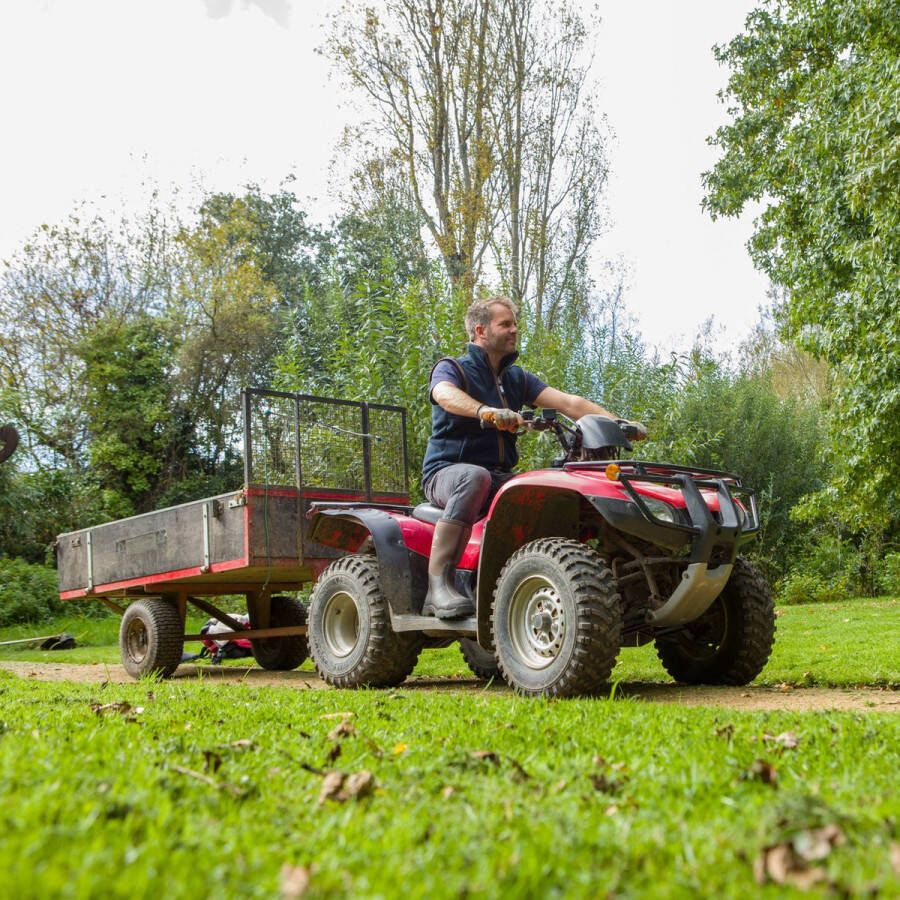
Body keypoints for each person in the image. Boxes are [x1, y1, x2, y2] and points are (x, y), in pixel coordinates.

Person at [421, 295, 646, 619]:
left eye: (515, 323)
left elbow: (570, 403)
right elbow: (443, 394)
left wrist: (619, 424)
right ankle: (438, 585)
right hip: (447, 472)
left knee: (546, 490)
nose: (515, 330)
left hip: (495, 477)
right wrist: (486, 411)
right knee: (475, 477)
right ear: (481, 331)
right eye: (506, 324)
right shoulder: (453, 368)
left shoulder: (516, 379)